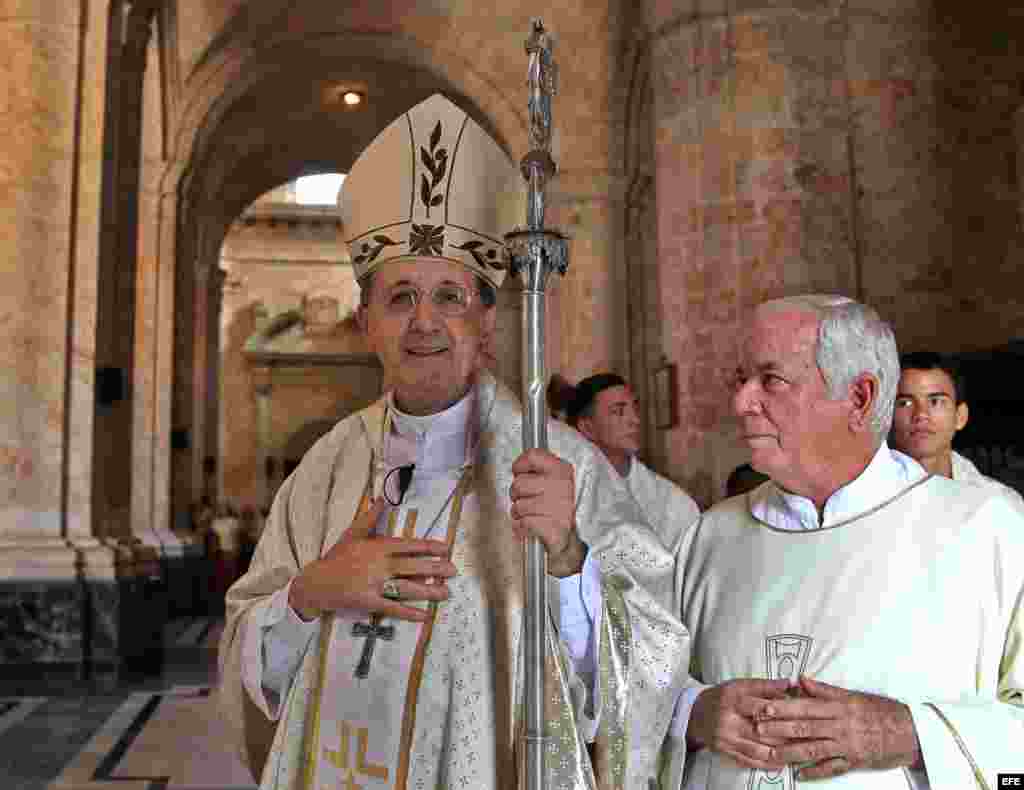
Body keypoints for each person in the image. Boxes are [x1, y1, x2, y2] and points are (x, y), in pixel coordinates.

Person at [217, 94, 689, 790]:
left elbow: (646, 670)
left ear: (488, 321)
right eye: (400, 298)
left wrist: (567, 559)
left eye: (450, 297)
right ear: (365, 323)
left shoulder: (564, 467)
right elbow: (243, 664)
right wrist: (311, 592)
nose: (424, 324)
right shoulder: (327, 468)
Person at [668, 295, 1024, 790]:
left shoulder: (991, 531)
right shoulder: (708, 537)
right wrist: (696, 712)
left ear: (858, 398)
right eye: (740, 379)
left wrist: (911, 733)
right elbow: (635, 693)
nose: (741, 402)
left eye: (770, 380)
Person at [550, 372, 700, 553]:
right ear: (587, 428)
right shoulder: (564, 491)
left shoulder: (673, 504)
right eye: (618, 412)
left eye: (635, 409)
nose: (635, 421)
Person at [890, 350, 1024, 505]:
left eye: (935, 401)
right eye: (905, 403)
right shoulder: (862, 500)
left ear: (960, 416)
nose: (921, 414)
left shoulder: (1001, 504)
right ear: (886, 416)